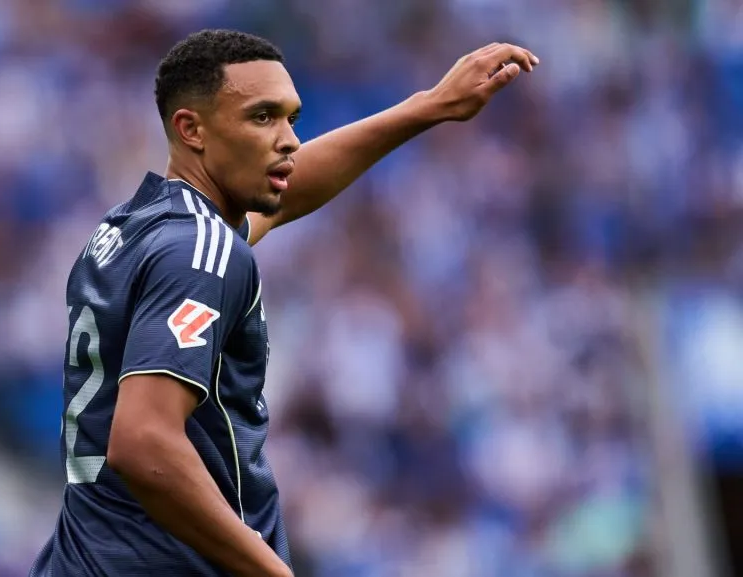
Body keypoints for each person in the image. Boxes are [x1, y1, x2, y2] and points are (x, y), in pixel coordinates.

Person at [29, 29, 538, 577]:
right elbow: (144, 441)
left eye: (292, 118)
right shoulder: (200, 252)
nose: (290, 139)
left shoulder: (136, 226)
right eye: (263, 117)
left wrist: (427, 108)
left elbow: (283, 197)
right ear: (191, 129)